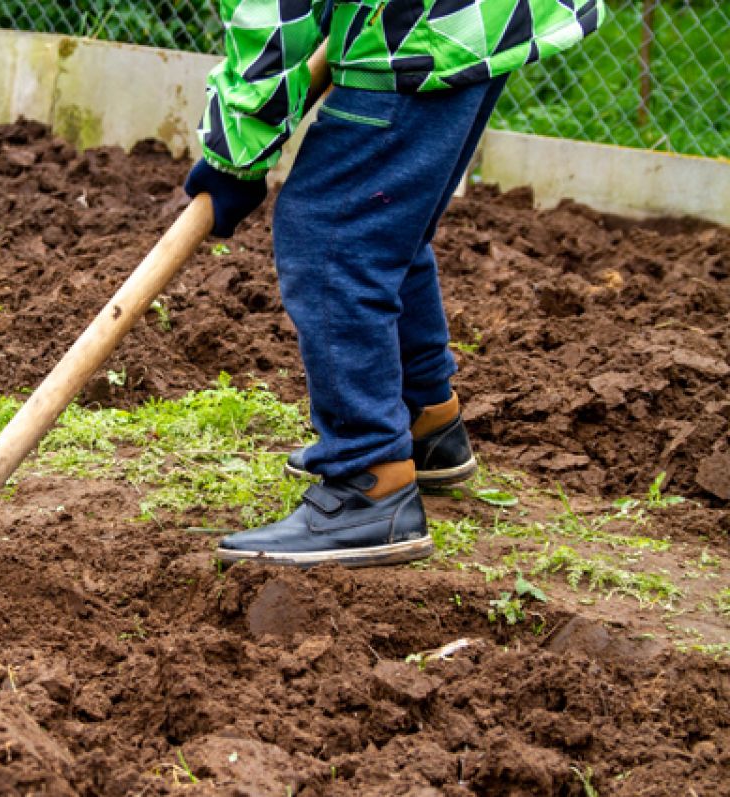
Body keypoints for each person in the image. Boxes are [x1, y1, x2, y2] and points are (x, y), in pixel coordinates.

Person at [185, 0, 605, 568]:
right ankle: (424, 419)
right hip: (475, 19)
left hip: (419, 24)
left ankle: (369, 483)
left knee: (334, 234)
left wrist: (235, 156)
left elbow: (275, 13)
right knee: (381, 225)